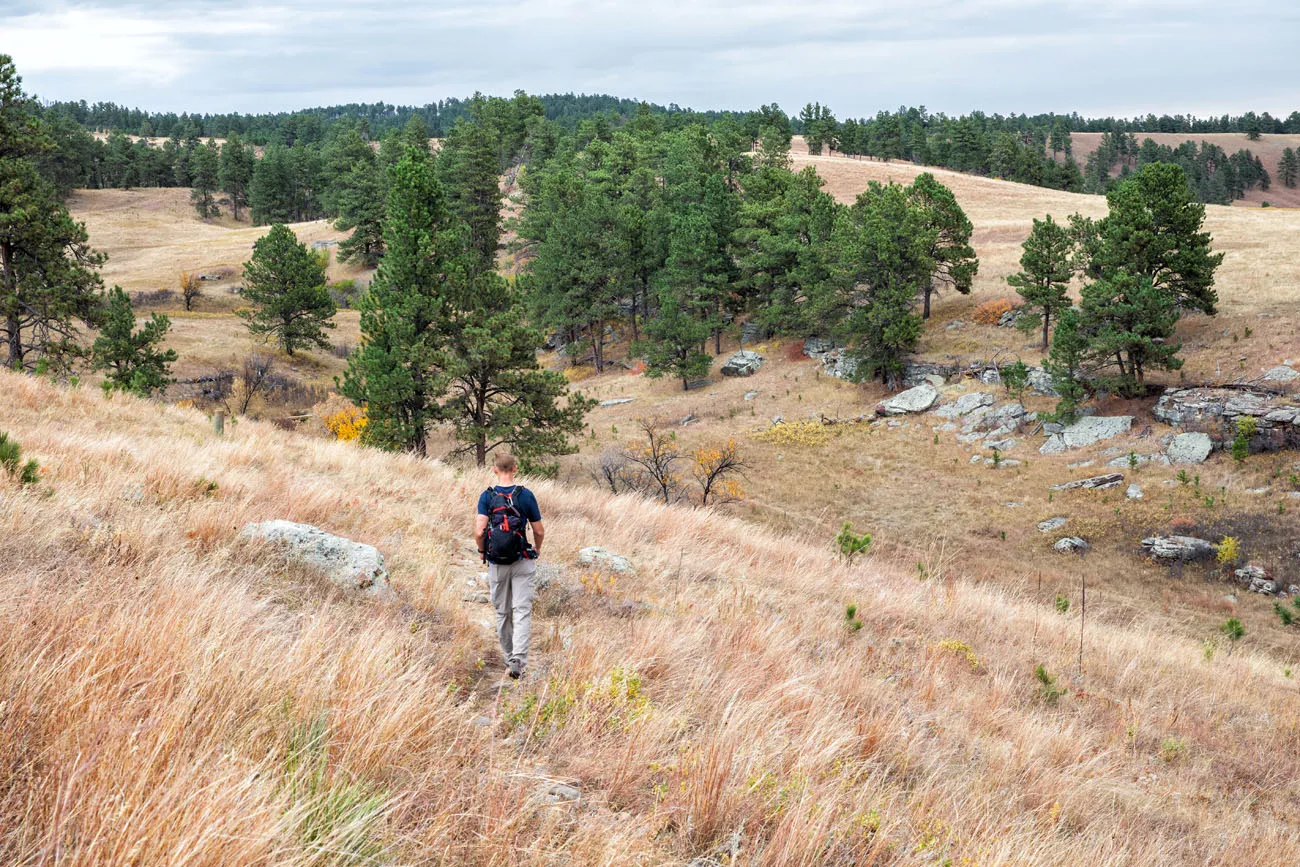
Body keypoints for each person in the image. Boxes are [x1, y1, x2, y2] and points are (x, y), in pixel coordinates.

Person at [475, 452, 545, 680]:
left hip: (497, 563)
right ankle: (519, 659)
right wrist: (537, 548)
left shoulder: (487, 497)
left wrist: (482, 551)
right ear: (515, 468)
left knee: (503, 612)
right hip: (522, 559)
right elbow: (538, 530)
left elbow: (478, 532)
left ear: (495, 470)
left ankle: (508, 657)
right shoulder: (526, 496)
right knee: (522, 610)